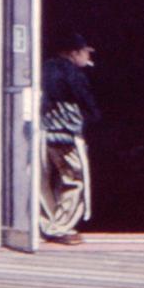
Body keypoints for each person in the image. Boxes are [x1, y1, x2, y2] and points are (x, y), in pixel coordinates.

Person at [40, 30, 101, 245]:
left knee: (45, 182)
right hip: (68, 135)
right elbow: (89, 106)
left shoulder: (44, 68)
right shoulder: (74, 74)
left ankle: (47, 223)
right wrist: (94, 121)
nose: (88, 57)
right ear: (74, 53)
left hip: (44, 134)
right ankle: (61, 227)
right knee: (74, 180)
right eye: (85, 52)